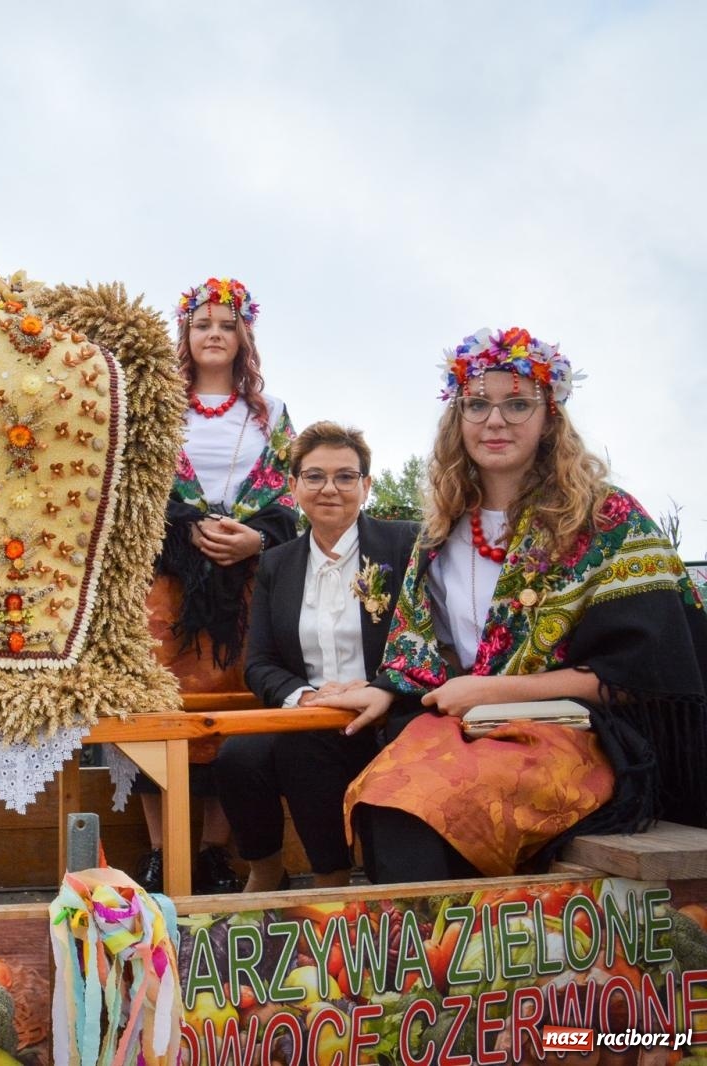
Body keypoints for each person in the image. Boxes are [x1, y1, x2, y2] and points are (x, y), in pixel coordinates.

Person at [316, 328, 707, 881]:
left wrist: (494, 689)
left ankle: (456, 957)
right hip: (470, 725)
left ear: (550, 417)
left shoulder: (607, 520)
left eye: (517, 404)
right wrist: (383, 686)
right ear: (458, 417)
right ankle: (428, 957)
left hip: (582, 735)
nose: (495, 421)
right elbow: (421, 657)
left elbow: (643, 677)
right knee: (382, 798)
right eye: (477, 404)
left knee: (427, 809)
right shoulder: (440, 532)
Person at [138, 277, 299, 893]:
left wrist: (258, 539)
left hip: (246, 583)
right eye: (202, 323)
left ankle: (212, 850)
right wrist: (187, 531)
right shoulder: (158, 407)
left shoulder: (272, 415)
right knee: (158, 708)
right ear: (186, 334)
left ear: (242, 337)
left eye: (226, 325)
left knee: (235, 710)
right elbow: (133, 490)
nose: (213, 333)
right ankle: (160, 850)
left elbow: (293, 492)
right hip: (166, 581)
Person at [216, 422, 417, 891]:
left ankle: (332, 880)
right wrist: (307, 699)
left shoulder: (405, 545)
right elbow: (260, 664)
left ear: (366, 486)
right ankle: (266, 872)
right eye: (315, 476)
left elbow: (428, 639)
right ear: (294, 486)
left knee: (303, 748)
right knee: (237, 757)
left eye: (346, 477)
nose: (330, 488)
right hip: (309, 714)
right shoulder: (276, 564)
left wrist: (378, 689)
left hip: (388, 711)